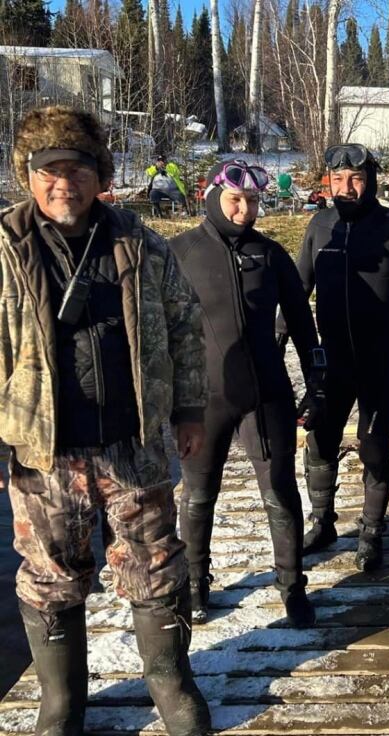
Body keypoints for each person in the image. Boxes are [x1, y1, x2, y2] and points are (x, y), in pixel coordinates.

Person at [1, 106, 211, 734]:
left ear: (101, 176)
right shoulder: (5, 249)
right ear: (28, 176)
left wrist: (191, 408)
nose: (64, 182)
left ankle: (172, 685)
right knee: (50, 576)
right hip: (44, 450)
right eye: (50, 170)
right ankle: (60, 702)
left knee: (156, 564)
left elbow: (185, 329)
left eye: (78, 168)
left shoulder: (139, 243)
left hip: (133, 442)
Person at [281, 143, 389, 569]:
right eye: (338, 180)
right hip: (332, 361)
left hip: (379, 359)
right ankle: (322, 522)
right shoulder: (321, 226)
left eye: (356, 179)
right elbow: (297, 290)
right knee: (320, 440)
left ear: (370, 180)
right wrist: (277, 337)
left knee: (374, 446)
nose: (347, 188)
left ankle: (373, 532)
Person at [170, 159, 323, 627]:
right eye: (236, 199)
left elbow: (301, 322)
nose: (245, 209)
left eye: (253, 200)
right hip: (204, 398)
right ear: (213, 196)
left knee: (280, 491)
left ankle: (292, 586)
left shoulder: (272, 254)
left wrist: (316, 381)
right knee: (199, 495)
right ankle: (196, 584)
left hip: (267, 392)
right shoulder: (179, 252)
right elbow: (158, 329)